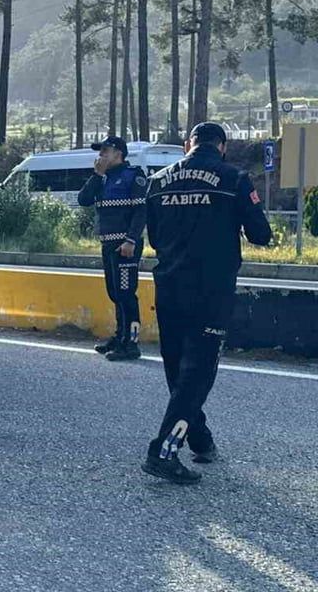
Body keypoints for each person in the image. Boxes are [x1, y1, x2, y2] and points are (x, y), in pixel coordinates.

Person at [141, 122, 271, 484]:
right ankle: (163, 451)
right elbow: (261, 234)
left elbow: (154, 236)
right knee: (198, 374)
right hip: (210, 290)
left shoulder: (158, 181)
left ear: (188, 145)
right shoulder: (234, 178)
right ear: (223, 147)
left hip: (167, 285)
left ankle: (200, 438)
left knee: (177, 369)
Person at [78, 135, 148, 361]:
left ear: (118, 153)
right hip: (108, 244)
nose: (100, 156)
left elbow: (141, 212)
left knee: (127, 295)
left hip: (125, 246)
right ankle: (120, 337)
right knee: (115, 293)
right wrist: (97, 175)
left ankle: (131, 344)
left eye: (104, 152)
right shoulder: (103, 178)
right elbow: (84, 200)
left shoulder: (133, 176)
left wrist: (131, 240)